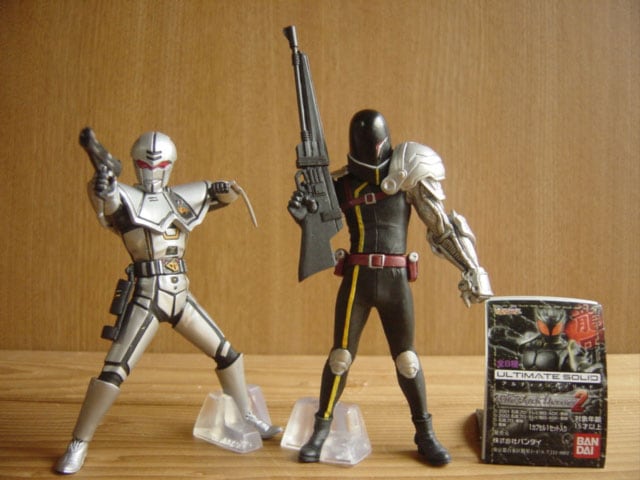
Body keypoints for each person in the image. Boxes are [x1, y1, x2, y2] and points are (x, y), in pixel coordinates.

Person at [55, 129, 279, 475]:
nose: (153, 170)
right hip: (148, 294)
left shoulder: (181, 197)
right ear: (136, 164)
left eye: (159, 164)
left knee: (228, 353)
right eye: (146, 165)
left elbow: (221, 195)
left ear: (170, 164)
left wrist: (228, 188)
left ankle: (247, 415)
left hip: (181, 294)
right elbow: (110, 205)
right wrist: (105, 187)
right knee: (114, 370)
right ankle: (79, 441)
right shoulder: (127, 197)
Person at [288, 109, 492, 465]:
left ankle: (425, 433)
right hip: (357, 279)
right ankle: (321, 429)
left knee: (407, 361)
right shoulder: (342, 184)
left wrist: (472, 268)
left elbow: (441, 227)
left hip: (396, 281)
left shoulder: (408, 174)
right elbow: (319, 227)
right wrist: (305, 217)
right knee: (340, 357)